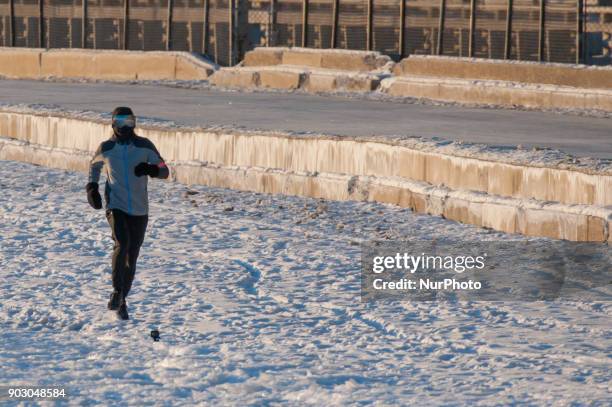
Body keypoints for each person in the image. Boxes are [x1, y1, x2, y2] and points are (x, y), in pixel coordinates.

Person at [86, 107, 170, 320]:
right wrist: (92, 188)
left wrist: (151, 170)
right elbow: (94, 166)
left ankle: (122, 298)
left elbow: (164, 169)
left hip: (140, 209)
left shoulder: (144, 145)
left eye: (129, 122)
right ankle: (116, 290)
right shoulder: (107, 147)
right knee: (121, 244)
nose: (125, 127)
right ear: (113, 124)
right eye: (121, 122)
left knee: (132, 256)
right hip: (116, 205)